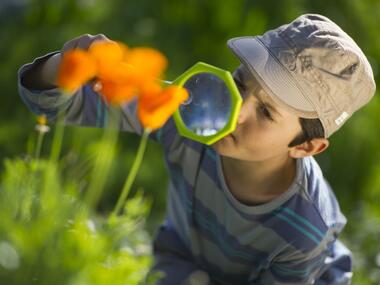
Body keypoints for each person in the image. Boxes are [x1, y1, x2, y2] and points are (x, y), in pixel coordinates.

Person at [18, 14, 375, 285]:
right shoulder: (190, 113)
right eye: (238, 83)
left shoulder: (304, 230)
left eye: (266, 111)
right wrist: (66, 67)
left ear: (307, 146)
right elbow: (49, 102)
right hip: (183, 261)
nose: (235, 110)